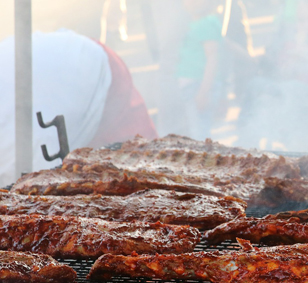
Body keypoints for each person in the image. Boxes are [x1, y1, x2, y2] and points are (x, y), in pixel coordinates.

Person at [0, 29, 157, 187]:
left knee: (143, 173)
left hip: (97, 71)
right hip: (59, 69)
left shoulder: (16, 137)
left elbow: (34, 182)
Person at [176, 0, 223, 140]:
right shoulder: (197, 23)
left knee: (199, 135)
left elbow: (212, 58)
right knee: (194, 130)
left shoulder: (206, 24)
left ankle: (206, 161)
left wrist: (203, 92)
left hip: (197, 87)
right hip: (191, 87)